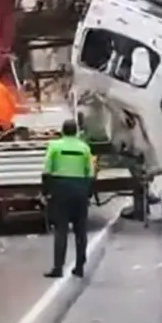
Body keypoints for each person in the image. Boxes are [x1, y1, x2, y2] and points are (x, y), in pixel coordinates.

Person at [41, 119, 95, 278]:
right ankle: (80, 266)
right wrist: (87, 193)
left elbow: (46, 170)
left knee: (61, 230)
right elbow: (90, 173)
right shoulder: (84, 148)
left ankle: (58, 268)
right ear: (76, 131)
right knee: (80, 230)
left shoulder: (55, 146)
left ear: (63, 131)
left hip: (60, 190)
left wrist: (46, 191)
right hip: (79, 189)